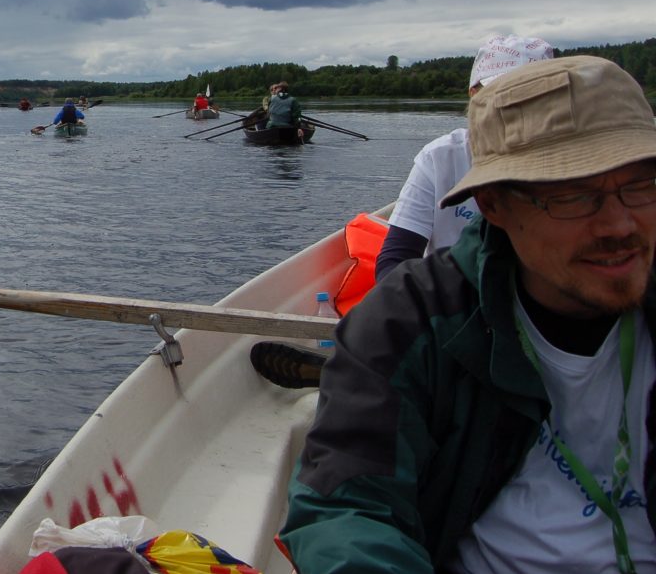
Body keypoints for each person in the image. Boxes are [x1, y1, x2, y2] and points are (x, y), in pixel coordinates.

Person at [281, 55, 656, 573]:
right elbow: (348, 507)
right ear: (493, 206)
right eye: (574, 195)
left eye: (641, 184)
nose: (619, 224)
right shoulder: (410, 320)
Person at [375, 35, 555, 282]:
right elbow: (394, 263)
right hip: (454, 302)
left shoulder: (579, 159)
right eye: (501, 96)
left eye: (532, 96)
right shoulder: (439, 159)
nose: (516, 108)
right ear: (474, 94)